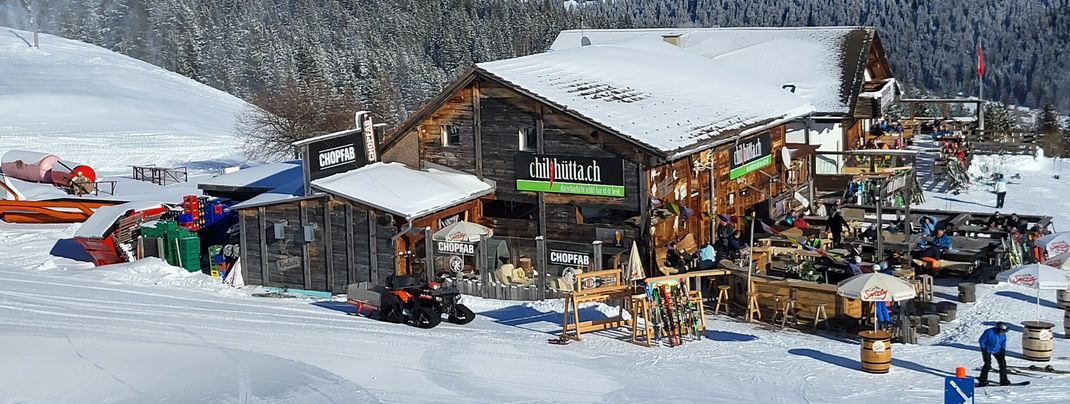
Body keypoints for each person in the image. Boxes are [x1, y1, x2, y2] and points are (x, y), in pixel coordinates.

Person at [977, 322, 1011, 386]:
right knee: (987, 365)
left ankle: (1003, 380)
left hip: (997, 350)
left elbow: (1003, 342)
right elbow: (981, 340)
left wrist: (1002, 350)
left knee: (1002, 364)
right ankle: (982, 380)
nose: (1003, 333)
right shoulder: (989, 332)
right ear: (998, 329)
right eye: (1002, 331)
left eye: (1004, 332)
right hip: (987, 350)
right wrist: (984, 349)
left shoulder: (1003, 334)